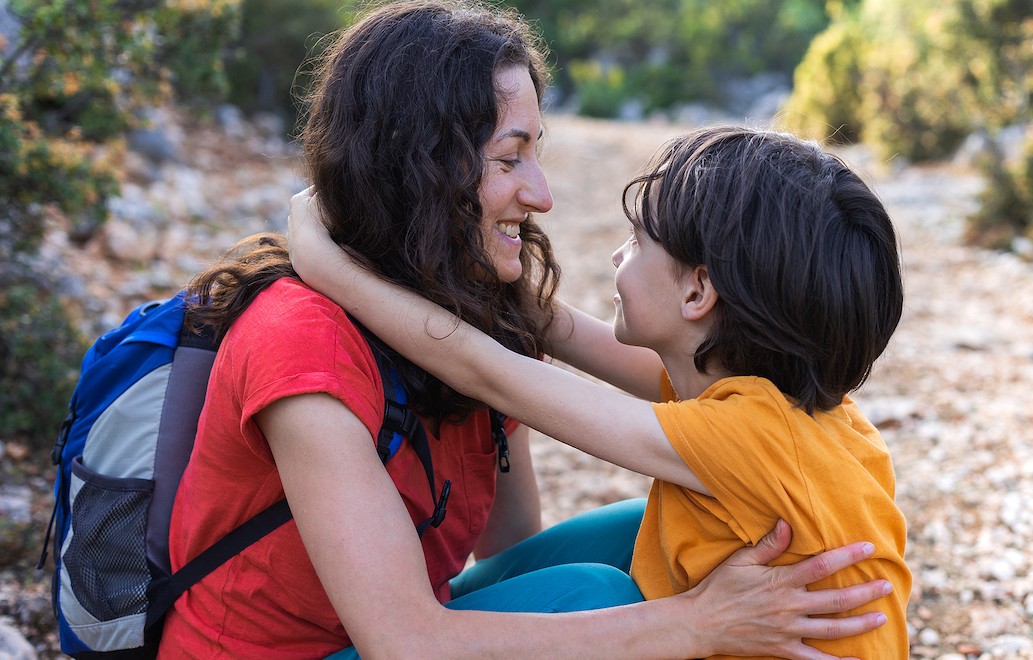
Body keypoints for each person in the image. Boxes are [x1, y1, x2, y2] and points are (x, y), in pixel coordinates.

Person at [163, 1, 891, 658]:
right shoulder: (301, 340)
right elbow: (406, 642)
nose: (541, 196)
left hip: (401, 625)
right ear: (422, 169)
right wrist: (695, 624)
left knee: (654, 534)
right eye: (511, 158)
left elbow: (507, 540)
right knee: (601, 597)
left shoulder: (480, 313)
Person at [286, 125, 912, 658]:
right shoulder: (797, 412)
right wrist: (454, 251)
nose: (617, 255)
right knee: (638, 529)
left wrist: (329, 266)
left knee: (600, 593)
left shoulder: (745, 439)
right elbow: (560, 329)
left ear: (697, 294)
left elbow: (490, 371)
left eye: (638, 242)